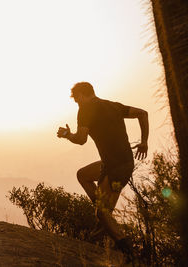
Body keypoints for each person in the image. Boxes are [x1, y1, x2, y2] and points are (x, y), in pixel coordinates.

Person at [57, 82, 149, 254]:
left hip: (114, 165)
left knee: (102, 213)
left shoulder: (85, 109)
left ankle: (126, 247)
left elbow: (81, 139)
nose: (77, 103)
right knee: (83, 175)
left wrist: (67, 135)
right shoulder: (113, 106)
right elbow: (143, 114)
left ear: (83, 95)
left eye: (77, 100)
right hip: (124, 161)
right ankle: (103, 220)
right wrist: (144, 142)